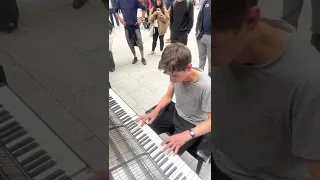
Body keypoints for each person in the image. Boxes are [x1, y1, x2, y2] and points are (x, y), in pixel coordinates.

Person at [212, 0, 320, 179]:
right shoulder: (222, 45)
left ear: (251, 20)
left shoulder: (308, 81)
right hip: (219, 161)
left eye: (213, 47)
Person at [136, 43, 211, 156]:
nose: (172, 79)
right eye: (169, 76)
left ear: (189, 67)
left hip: (192, 122)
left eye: (174, 76)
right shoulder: (177, 73)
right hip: (175, 111)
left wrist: (187, 135)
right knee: (144, 133)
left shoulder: (207, 86)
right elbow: (168, 96)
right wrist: (154, 112)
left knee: (165, 155)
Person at [115, 0, 148, 65]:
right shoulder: (120, 1)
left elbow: (144, 8)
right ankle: (135, 57)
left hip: (135, 26)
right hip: (127, 27)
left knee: (139, 42)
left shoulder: (135, 1)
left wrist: (141, 19)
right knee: (130, 43)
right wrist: (120, 19)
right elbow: (115, 10)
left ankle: (142, 57)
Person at [195, 0, 211, 77]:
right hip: (201, 36)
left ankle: (210, 77)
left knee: (211, 60)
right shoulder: (205, 2)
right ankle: (200, 75)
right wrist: (197, 31)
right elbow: (199, 17)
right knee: (201, 57)